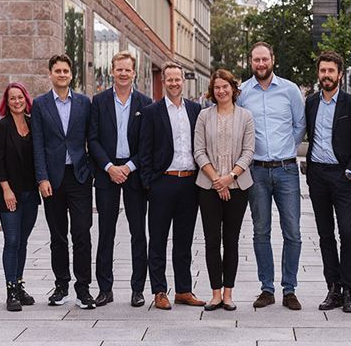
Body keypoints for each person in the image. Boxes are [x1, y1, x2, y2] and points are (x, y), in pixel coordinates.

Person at [237, 41, 306, 310]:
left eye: (265, 59)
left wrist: (286, 148)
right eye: (256, 60)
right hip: (256, 171)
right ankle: (267, 288)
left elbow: (300, 125)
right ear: (251, 62)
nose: (261, 64)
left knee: (293, 231)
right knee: (260, 231)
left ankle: (290, 289)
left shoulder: (290, 90)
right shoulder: (243, 93)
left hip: (287, 170)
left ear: (272, 59)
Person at [139, 62, 205, 310]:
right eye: (170, 80)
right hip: (163, 182)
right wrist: (149, 184)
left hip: (189, 182)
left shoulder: (195, 110)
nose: (174, 83)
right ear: (163, 81)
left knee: (184, 241)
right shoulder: (151, 111)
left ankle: (183, 290)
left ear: (182, 81)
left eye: (178, 79)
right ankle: (159, 291)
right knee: (157, 240)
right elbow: (144, 150)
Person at [88, 51, 153, 308]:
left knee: (138, 233)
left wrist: (128, 167)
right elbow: (92, 139)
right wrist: (108, 167)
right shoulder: (99, 101)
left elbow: (147, 143)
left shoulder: (145, 103)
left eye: (127, 69)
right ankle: (105, 289)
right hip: (107, 174)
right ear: (112, 71)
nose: (123, 73)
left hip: (134, 174)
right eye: (119, 69)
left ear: (133, 73)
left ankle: (138, 289)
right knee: (106, 232)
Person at [31, 54, 95, 309]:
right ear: (50, 74)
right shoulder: (40, 104)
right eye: (57, 71)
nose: (62, 74)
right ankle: (61, 286)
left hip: (79, 177)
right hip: (53, 179)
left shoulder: (84, 103)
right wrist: (42, 177)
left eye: (65, 71)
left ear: (71, 74)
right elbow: (37, 144)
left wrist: (90, 170)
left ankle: (83, 289)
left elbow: (92, 137)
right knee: (58, 236)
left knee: (82, 234)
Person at [305, 51, 351, 314]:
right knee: (325, 235)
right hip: (317, 175)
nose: (326, 75)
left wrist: (350, 172)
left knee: (347, 233)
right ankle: (333, 288)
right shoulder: (311, 102)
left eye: (331, 71)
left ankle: (349, 290)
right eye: (323, 71)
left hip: (342, 176)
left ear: (340, 74)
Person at [193, 69, 255, 311]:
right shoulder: (203, 116)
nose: (221, 91)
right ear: (212, 91)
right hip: (208, 186)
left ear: (233, 89)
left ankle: (228, 294)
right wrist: (217, 180)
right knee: (211, 241)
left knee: (231, 241)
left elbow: (248, 152)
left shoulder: (246, 116)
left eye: (225, 86)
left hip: (238, 186)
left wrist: (229, 178)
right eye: (217, 87)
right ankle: (215, 294)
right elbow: (199, 151)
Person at [0, 82, 40, 312]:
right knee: (11, 241)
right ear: (7, 102)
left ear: (26, 99)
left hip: (30, 194)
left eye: (20, 97)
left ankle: (19, 285)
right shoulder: (1, 127)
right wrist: (6, 189)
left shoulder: (33, 124)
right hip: (9, 194)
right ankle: (11, 290)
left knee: (23, 241)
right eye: (12, 98)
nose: (17, 101)